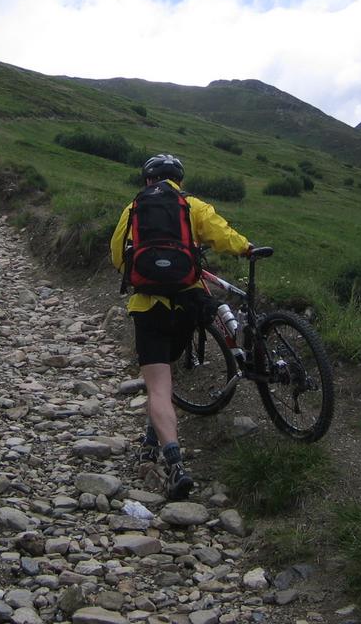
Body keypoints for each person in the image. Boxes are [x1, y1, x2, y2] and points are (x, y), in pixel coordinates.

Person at [110, 153, 252, 499]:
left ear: (148, 180)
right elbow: (222, 235)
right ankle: (151, 439)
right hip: (186, 304)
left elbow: (118, 257)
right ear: (178, 180)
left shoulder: (133, 208)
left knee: (159, 387)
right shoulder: (192, 205)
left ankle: (174, 463)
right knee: (169, 375)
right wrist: (246, 248)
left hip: (147, 308)